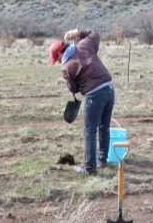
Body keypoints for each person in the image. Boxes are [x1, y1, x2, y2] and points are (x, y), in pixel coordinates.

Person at [48, 28, 115, 175]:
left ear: (59, 53)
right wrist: (78, 32)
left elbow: (74, 89)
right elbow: (95, 34)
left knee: (89, 131)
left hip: (94, 96)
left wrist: (69, 80)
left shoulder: (66, 67)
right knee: (104, 127)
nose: (58, 61)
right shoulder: (84, 44)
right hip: (109, 89)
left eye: (57, 58)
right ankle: (102, 161)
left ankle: (90, 168)